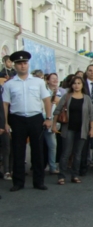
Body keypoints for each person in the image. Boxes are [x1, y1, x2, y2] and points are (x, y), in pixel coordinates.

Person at [2, 51, 52, 191]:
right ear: (15, 66)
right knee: (18, 151)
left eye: (25, 63)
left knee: (38, 151)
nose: (22, 66)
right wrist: (5, 122)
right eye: (19, 64)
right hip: (17, 119)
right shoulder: (9, 84)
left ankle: (39, 181)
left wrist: (48, 118)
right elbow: (5, 104)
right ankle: (18, 182)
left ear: (28, 64)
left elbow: (46, 100)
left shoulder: (38, 82)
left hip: (35, 118)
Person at [52, 76, 93, 184]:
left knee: (78, 153)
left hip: (82, 129)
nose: (76, 85)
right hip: (68, 128)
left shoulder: (87, 98)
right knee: (66, 153)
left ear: (82, 85)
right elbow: (57, 111)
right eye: (74, 83)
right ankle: (61, 176)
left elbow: (91, 115)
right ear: (71, 85)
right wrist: (53, 125)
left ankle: (74, 175)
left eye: (79, 83)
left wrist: (92, 129)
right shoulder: (67, 96)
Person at [43, 73, 60, 174]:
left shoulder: (60, 91)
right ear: (47, 80)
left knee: (52, 145)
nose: (54, 80)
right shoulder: (43, 91)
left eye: (56, 78)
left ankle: (52, 166)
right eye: (52, 78)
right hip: (42, 118)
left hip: (55, 120)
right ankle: (40, 165)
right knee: (40, 145)